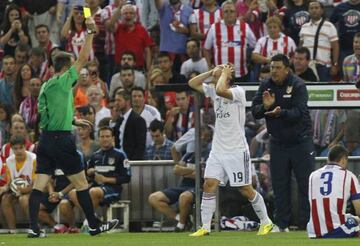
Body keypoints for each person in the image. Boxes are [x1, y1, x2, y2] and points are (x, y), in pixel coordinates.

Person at [27, 16, 118, 238]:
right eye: (72, 67)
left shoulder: (47, 85)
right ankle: (95, 226)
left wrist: (72, 121)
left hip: (46, 139)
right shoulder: (63, 81)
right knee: (82, 183)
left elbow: (46, 113)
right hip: (61, 140)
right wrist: (89, 33)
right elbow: (84, 57)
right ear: (66, 68)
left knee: (39, 185)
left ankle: (33, 228)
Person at [188, 64, 273, 237]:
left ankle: (266, 222)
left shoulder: (238, 92)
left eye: (219, 70)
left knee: (245, 189)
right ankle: (204, 227)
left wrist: (224, 73)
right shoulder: (214, 88)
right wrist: (211, 72)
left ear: (228, 76)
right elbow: (192, 83)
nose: (215, 72)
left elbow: (220, 90)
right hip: (218, 150)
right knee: (209, 185)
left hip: (236, 150)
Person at [251, 54, 315, 232]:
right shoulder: (265, 85)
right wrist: (265, 107)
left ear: (287, 69)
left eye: (278, 68)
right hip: (278, 142)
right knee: (279, 185)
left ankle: (307, 224)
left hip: (300, 141)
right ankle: (281, 224)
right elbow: (254, 111)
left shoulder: (298, 85)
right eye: (272, 67)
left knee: (305, 184)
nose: (274, 71)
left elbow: (299, 113)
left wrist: (281, 112)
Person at [67, 127, 131, 215]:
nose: (105, 139)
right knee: (73, 193)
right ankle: (92, 218)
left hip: (113, 189)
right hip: (94, 186)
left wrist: (105, 179)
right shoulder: (95, 155)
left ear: (112, 138)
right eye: (102, 136)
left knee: (93, 192)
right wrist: (89, 172)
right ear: (99, 138)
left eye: (107, 136)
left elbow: (126, 178)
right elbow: (88, 174)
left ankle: (90, 221)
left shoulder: (121, 155)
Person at [307, 145, 360, 238]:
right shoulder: (349, 176)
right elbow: (359, 209)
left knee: (351, 217)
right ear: (343, 159)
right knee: (355, 221)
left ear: (328, 159)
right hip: (336, 230)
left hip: (313, 231)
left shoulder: (313, 175)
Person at [1, 135, 36, 233]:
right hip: (16, 190)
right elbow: (9, 182)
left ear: (25, 146)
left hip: (31, 189)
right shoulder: (9, 161)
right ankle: (13, 230)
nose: (19, 151)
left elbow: (34, 184)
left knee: (23, 199)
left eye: (21, 148)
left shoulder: (33, 159)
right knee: (5, 199)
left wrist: (23, 190)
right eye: (15, 148)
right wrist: (3, 189)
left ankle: (34, 227)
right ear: (12, 149)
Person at [299, 0, 339, 82]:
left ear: (322, 10)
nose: (314, 10)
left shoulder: (329, 26)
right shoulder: (304, 27)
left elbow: (335, 46)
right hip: (307, 66)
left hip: (323, 66)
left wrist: (335, 64)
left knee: (324, 92)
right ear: (308, 11)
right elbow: (301, 46)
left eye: (316, 8)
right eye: (311, 8)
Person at [113, 89, 147, 160]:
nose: (116, 103)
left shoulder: (138, 120)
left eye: (119, 100)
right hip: (119, 162)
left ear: (128, 101)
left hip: (132, 162)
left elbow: (140, 146)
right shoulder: (119, 120)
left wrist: (133, 162)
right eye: (115, 100)